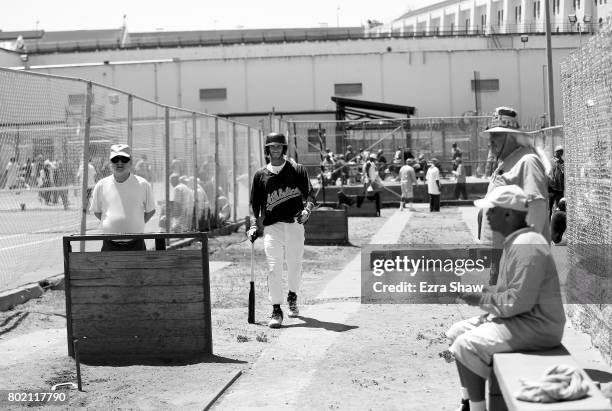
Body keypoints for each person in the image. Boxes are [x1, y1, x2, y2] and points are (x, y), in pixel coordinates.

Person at [447, 185, 565, 411]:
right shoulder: (516, 241)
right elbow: (507, 293)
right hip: (523, 318)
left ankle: (477, 409)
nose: (486, 216)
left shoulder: (528, 245)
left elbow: (516, 302)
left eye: (491, 210)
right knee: (456, 333)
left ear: (509, 214)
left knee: (466, 345)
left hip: (539, 325)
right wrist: (481, 296)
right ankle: (467, 402)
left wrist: (479, 299)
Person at [247, 132, 315, 329]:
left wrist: (307, 210)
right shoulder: (260, 175)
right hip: (272, 228)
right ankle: (276, 309)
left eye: (278, 146)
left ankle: (292, 296)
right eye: (271, 147)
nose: (275, 150)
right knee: (273, 267)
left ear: (284, 149)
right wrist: (253, 226)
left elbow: (310, 195)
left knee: (294, 266)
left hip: (294, 224)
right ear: (266, 150)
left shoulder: (297, 170)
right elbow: (255, 206)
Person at [479, 106, 551, 285]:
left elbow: (537, 207)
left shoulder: (527, 161)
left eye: (495, 136)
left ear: (511, 137)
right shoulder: (509, 162)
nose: (490, 142)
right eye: (490, 136)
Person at [90, 144, 156, 251]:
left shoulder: (143, 184)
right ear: (110, 163)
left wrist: (136, 222)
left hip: (136, 244)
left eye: (124, 159)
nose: (119, 163)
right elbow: (97, 212)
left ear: (131, 162)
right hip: (109, 245)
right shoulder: (101, 185)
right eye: (115, 159)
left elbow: (150, 210)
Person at [548, 145, 564, 217]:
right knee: (549, 207)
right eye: (558, 152)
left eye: (561, 152)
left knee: (559, 207)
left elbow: (563, 174)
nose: (560, 153)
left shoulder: (562, 162)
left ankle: (557, 223)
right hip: (551, 188)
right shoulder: (551, 161)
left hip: (559, 189)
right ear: (555, 152)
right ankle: (548, 225)